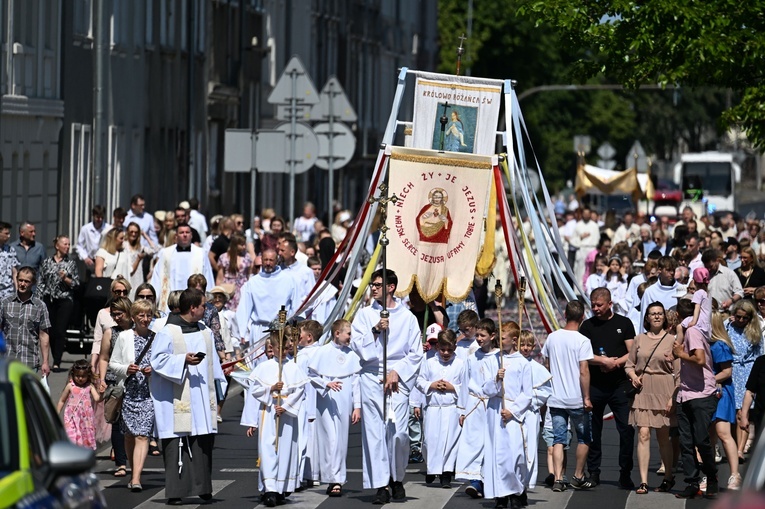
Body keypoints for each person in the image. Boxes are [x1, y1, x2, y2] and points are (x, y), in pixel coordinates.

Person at [150, 288, 227, 506]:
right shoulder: (168, 332)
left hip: (200, 394)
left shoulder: (204, 331)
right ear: (193, 308)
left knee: (201, 441)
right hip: (175, 397)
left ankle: (204, 488)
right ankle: (175, 492)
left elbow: (212, 361)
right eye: (203, 305)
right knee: (176, 445)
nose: (206, 309)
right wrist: (183, 360)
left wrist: (220, 379)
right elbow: (157, 361)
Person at [351, 268, 422, 504]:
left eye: (378, 284)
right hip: (372, 376)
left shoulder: (407, 317)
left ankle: (396, 477)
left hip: (397, 379)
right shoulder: (364, 315)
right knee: (374, 432)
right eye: (372, 284)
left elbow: (415, 353)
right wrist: (375, 330)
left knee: (399, 433)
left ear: (390, 287)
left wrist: (397, 371)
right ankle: (380, 483)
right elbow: (357, 346)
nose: (372, 288)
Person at [579, 287, 635, 488]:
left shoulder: (624, 323)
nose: (595, 308)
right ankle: (594, 472)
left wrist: (616, 363)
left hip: (619, 385)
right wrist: (602, 361)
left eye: (599, 305)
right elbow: (583, 355)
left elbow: (633, 352)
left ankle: (625, 472)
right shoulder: (587, 326)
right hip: (596, 385)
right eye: (593, 305)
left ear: (610, 304)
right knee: (593, 430)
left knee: (626, 430)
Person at [624, 302, 678, 494]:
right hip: (643, 389)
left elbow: (678, 372)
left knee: (663, 436)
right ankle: (644, 481)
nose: (656, 317)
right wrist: (633, 377)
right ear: (646, 318)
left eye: (659, 314)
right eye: (652, 314)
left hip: (664, 389)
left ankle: (668, 476)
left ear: (664, 317)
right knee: (644, 434)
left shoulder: (672, 340)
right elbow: (629, 365)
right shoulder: (639, 339)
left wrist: (673, 397)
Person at [249, 327, 307, 507]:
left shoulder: (293, 367)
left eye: (285, 348)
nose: (282, 352)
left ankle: (281, 488)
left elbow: (300, 390)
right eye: (278, 348)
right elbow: (255, 390)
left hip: (286, 412)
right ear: (272, 348)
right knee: (268, 448)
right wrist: (271, 389)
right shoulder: (264, 367)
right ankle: (270, 489)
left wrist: (286, 406)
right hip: (269, 411)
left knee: (285, 449)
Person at [540, 300, 594, 492]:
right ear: (582, 317)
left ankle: (558, 478)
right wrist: (587, 397)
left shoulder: (552, 338)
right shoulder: (582, 340)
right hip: (576, 398)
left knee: (558, 439)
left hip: (556, 397)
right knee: (583, 438)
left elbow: (546, 366)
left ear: (564, 314)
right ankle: (578, 475)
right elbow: (584, 371)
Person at [307, 319, 362, 497]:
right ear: (337, 333)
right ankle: (333, 479)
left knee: (341, 441)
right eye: (348, 334)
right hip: (326, 400)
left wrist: (357, 407)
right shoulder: (322, 352)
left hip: (344, 400)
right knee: (330, 439)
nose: (350, 337)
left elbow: (355, 382)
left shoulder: (352, 354)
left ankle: (337, 479)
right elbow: (311, 374)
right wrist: (326, 383)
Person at [670, 298, 719, 499]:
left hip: (701, 393)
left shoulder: (693, 331)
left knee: (701, 439)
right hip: (685, 393)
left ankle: (712, 477)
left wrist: (680, 354)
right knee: (686, 442)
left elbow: (699, 359)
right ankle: (691, 482)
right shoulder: (686, 331)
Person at [482, 323, 532, 509]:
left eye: (503, 338)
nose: (499, 341)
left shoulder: (522, 363)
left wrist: (513, 411)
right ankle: (501, 495)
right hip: (496, 409)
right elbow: (484, 389)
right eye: (498, 338)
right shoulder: (491, 360)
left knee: (515, 455)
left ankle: (517, 490)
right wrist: (496, 379)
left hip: (513, 412)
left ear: (514, 340)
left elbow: (527, 393)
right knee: (498, 455)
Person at [109, 299, 156, 492]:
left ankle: (136, 477)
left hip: (148, 394)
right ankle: (132, 472)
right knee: (129, 435)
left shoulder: (157, 337)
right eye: (141, 316)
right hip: (128, 393)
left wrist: (153, 370)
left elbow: (163, 363)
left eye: (149, 315)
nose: (145, 319)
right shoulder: (125, 337)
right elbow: (113, 364)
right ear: (134, 317)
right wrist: (126, 369)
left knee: (143, 435)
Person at [456, 317, 499, 498]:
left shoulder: (499, 357)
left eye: (483, 335)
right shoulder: (473, 357)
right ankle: (475, 480)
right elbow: (465, 383)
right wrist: (462, 410)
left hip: (492, 405)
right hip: (474, 403)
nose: (479, 339)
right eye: (478, 335)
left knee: (490, 443)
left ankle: (488, 480)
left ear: (492, 335)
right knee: (473, 442)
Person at [416, 329, 464, 489]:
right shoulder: (429, 362)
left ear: (455, 348)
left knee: (450, 441)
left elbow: (466, 385)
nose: (446, 353)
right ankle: (432, 469)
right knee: (431, 440)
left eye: (449, 350)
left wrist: (453, 387)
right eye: (443, 349)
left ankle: (446, 474)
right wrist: (432, 384)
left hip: (451, 408)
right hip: (433, 407)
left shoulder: (460, 363)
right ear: (437, 347)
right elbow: (420, 380)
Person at [237, 249, 299, 353]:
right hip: (259, 329)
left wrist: (292, 326)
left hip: (281, 328)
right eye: (265, 260)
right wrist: (242, 333)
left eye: (271, 260)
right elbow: (244, 307)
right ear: (261, 260)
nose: (268, 263)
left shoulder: (288, 279)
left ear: (277, 261)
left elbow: (296, 305)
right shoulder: (253, 282)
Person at [724, 299, 762, 463]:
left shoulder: (754, 331)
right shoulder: (728, 327)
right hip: (731, 370)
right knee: (732, 412)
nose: (740, 320)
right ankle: (733, 446)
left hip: (748, 370)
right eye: (738, 317)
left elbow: (760, 355)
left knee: (743, 412)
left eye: (744, 318)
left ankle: (739, 449)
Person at [708, 308, 741, 490]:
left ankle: (735, 475)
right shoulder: (704, 343)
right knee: (710, 436)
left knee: (723, 433)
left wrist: (709, 380)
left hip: (720, 392)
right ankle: (710, 475)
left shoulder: (719, 345)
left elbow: (727, 371)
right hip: (706, 392)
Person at [36, 235, 79, 372]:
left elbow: (76, 283)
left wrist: (65, 278)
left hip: (64, 299)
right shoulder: (47, 262)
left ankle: (57, 361)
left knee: (60, 330)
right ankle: (51, 355)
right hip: (49, 299)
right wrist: (37, 300)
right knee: (50, 330)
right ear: (57, 246)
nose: (67, 247)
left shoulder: (70, 263)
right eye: (65, 244)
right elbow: (41, 282)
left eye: (69, 244)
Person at [151, 224, 215, 311]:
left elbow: (208, 277)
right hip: (170, 303)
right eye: (181, 232)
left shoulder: (200, 253)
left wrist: (209, 298)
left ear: (191, 235)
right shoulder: (166, 253)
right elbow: (157, 277)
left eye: (187, 232)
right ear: (176, 236)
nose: (185, 235)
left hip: (194, 302)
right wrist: (153, 299)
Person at [0, 267, 51, 375]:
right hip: (7, 362)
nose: (22, 284)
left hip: (29, 363)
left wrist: (45, 362)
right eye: (20, 280)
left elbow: (43, 335)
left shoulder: (40, 306)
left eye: (26, 281)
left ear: (33, 283)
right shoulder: (5, 303)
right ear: (16, 279)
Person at [518, 329, 552, 491]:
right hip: (513, 414)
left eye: (528, 345)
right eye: (522, 344)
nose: (525, 348)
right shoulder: (511, 363)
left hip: (530, 414)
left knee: (530, 448)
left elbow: (545, 392)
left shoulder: (537, 368)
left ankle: (527, 481)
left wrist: (528, 398)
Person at [56, 359, 100, 450]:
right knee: (71, 436)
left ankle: (83, 454)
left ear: (88, 376)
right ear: (73, 374)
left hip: (85, 418)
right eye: (77, 376)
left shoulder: (89, 387)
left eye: (83, 376)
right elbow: (62, 400)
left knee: (85, 437)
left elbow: (97, 399)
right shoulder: (70, 386)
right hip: (71, 417)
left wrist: (102, 393)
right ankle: (72, 452)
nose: (80, 378)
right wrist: (56, 413)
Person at [215, 233, 251, 310]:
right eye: (241, 245)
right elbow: (219, 277)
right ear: (235, 245)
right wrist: (218, 292)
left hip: (243, 288)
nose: (244, 247)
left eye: (245, 244)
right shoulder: (224, 257)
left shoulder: (247, 256)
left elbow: (248, 275)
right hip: (228, 289)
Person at [703, 248, 744, 312]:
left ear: (717, 261)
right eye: (706, 267)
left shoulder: (729, 273)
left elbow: (739, 292)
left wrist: (730, 301)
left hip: (725, 312)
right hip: (709, 313)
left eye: (711, 266)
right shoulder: (704, 275)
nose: (709, 269)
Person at [76, 205, 110, 272]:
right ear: (93, 216)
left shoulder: (108, 228)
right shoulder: (86, 229)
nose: (99, 219)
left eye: (101, 217)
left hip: (105, 261)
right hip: (91, 261)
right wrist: (85, 257)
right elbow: (79, 245)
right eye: (97, 217)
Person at [122, 222, 152, 298]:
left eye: (136, 232)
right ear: (127, 232)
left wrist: (145, 236)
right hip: (127, 275)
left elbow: (154, 250)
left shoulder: (140, 247)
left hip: (138, 276)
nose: (133, 234)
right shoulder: (123, 245)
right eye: (131, 232)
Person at [0, 221, 19, 301]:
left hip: (8, 292)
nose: (9, 236)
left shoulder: (10, 250)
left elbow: (14, 272)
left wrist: (18, 290)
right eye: (6, 233)